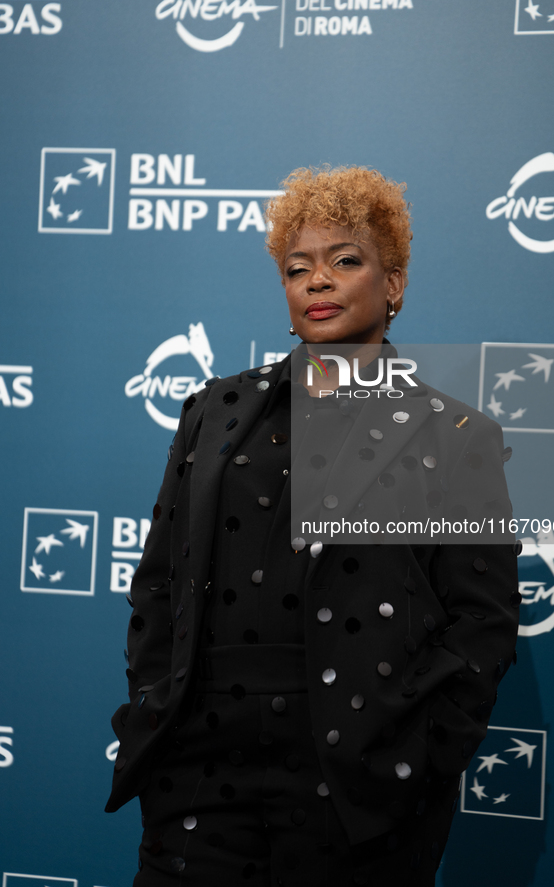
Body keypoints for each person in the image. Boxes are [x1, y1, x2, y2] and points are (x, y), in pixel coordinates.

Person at [106, 165, 521, 886]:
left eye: (344, 261)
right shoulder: (215, 409)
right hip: (199, 770)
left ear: (392, 284)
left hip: (360, 787)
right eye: (298, 268)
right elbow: (159, 583)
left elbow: (481, 624)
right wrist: (153, 708)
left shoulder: (455, 434)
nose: (317, 281)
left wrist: (418, 757)